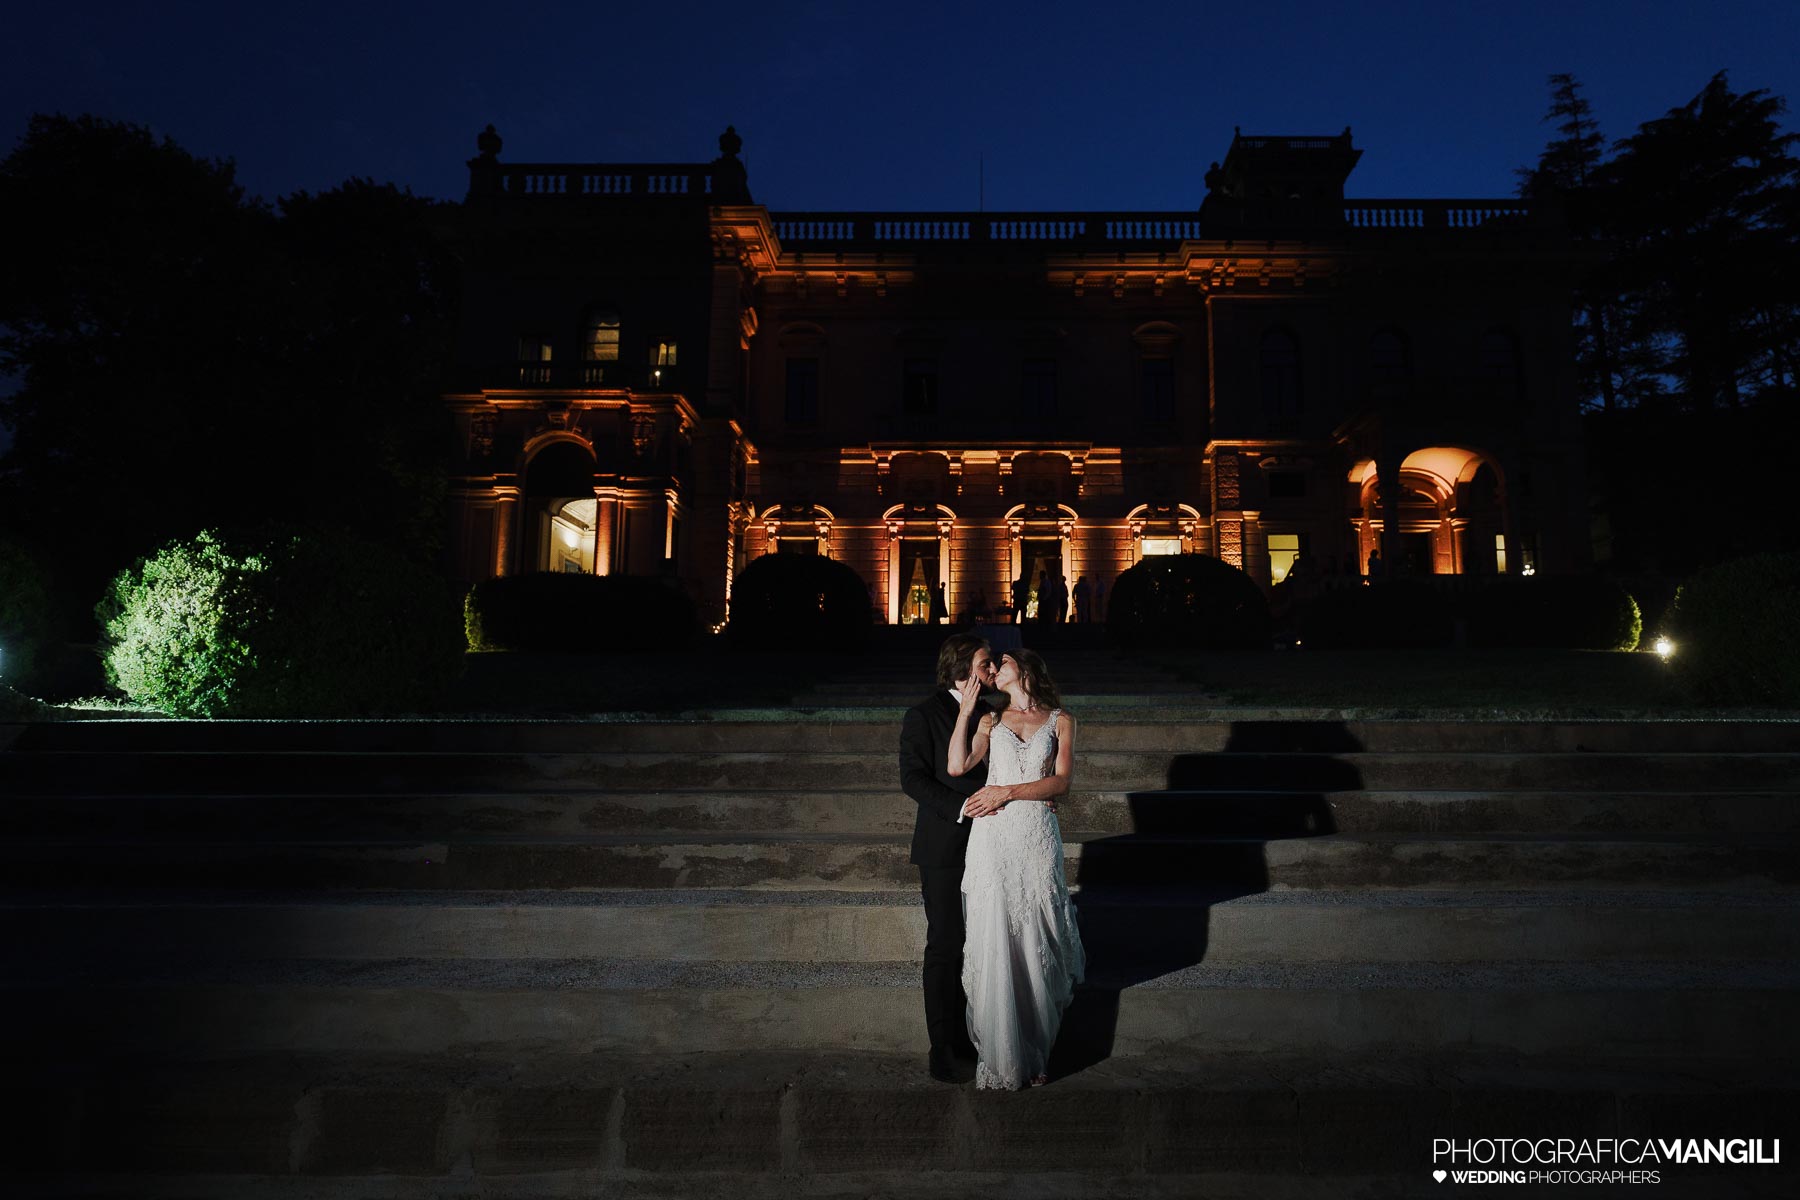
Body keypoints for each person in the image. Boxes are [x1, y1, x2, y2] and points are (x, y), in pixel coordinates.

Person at [946, 648, 1085, 1089]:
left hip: (1035, 835)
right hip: (993, 838)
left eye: (1001, 662)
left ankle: (1037, 1051)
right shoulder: (990, 719)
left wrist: (1006, 791)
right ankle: (1002, 1055)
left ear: (1024, 669)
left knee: (1037, 937)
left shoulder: (1062, 720)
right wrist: (966, 712)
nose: (993, 669)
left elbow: (1061, 782)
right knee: (998, 937)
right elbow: (957, 766)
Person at [898, 634, 1000, 1082]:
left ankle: (978, 1037)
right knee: (946, 943)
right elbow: (913, 779)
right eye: (985, 663)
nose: (992, 670)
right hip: (944, 846)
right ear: (961, 670)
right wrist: (962, 808)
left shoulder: (993, 712)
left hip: (994, 844)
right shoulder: (923, 715)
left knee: (984, 943)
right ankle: (942, 1048)